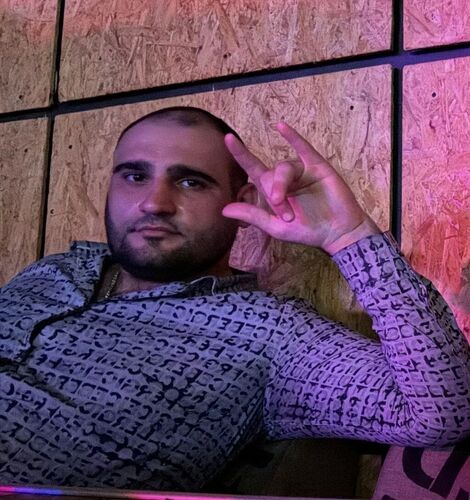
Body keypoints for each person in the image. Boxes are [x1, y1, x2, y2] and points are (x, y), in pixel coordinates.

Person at [0, 106, 468, 491]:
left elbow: (442, 412)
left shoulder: (270, 333)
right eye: (135, 176)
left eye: (190, 182)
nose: (154, 202)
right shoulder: (52, 271)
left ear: (242, 201)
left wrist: (349, 236)